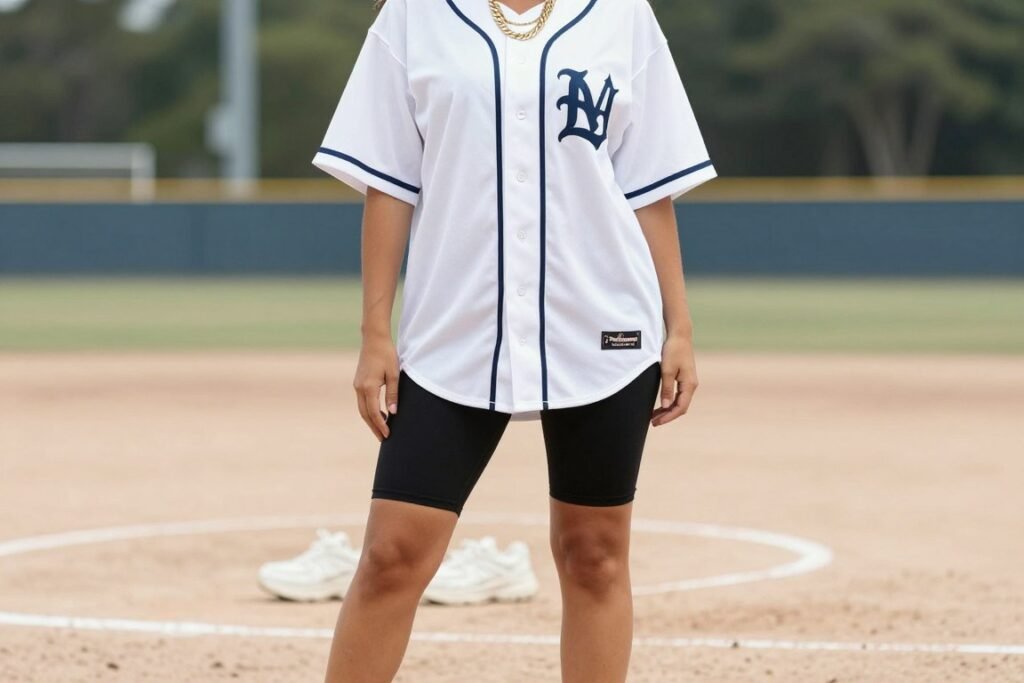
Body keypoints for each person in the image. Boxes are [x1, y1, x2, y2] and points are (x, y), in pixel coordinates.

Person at [311, 0, 716, 679]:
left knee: (594, 554)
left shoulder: (621, 15)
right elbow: (388, 185)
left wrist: (681, 326)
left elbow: (649, 187)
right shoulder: (414, 15)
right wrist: (374, 333)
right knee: (391, 556)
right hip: (454, 331)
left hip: (602, 327)